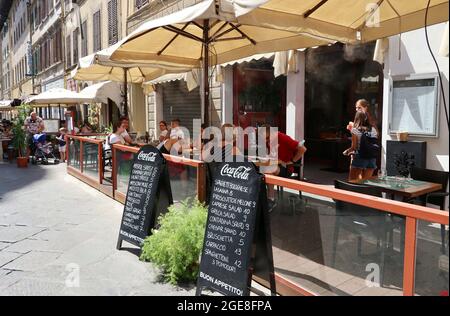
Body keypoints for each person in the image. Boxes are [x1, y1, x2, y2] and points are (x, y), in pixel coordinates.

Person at [262, 124, 307, 211]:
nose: (266, 140)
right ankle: (261, 198)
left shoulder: (283, 137)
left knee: (268, 170)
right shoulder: (269, 141)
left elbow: (303, 149)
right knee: (259, 169)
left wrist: (293, 161)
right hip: (276, 165)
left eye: (267, 138)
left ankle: (271, 199)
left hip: (286, 168)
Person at [343, 111, 378, 181]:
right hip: (372, 158)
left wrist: (346, 151)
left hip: (360, 157)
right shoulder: (373, 129)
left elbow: (354, 147)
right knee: (366, 182)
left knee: (352, 181)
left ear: (356, 118)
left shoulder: (355, 130)